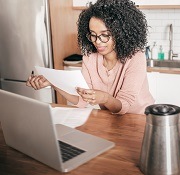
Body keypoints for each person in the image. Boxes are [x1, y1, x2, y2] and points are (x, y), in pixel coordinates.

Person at [26, 0, 154, 115]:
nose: (97, 41)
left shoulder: (135, 56)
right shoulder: (90, 57)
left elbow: (124, 105)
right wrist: (52, 82)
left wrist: (104, 98)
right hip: (110, 118)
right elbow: (82, 100)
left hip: (141, 119)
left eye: (104, 35)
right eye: (93, 35)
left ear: (120, 34)